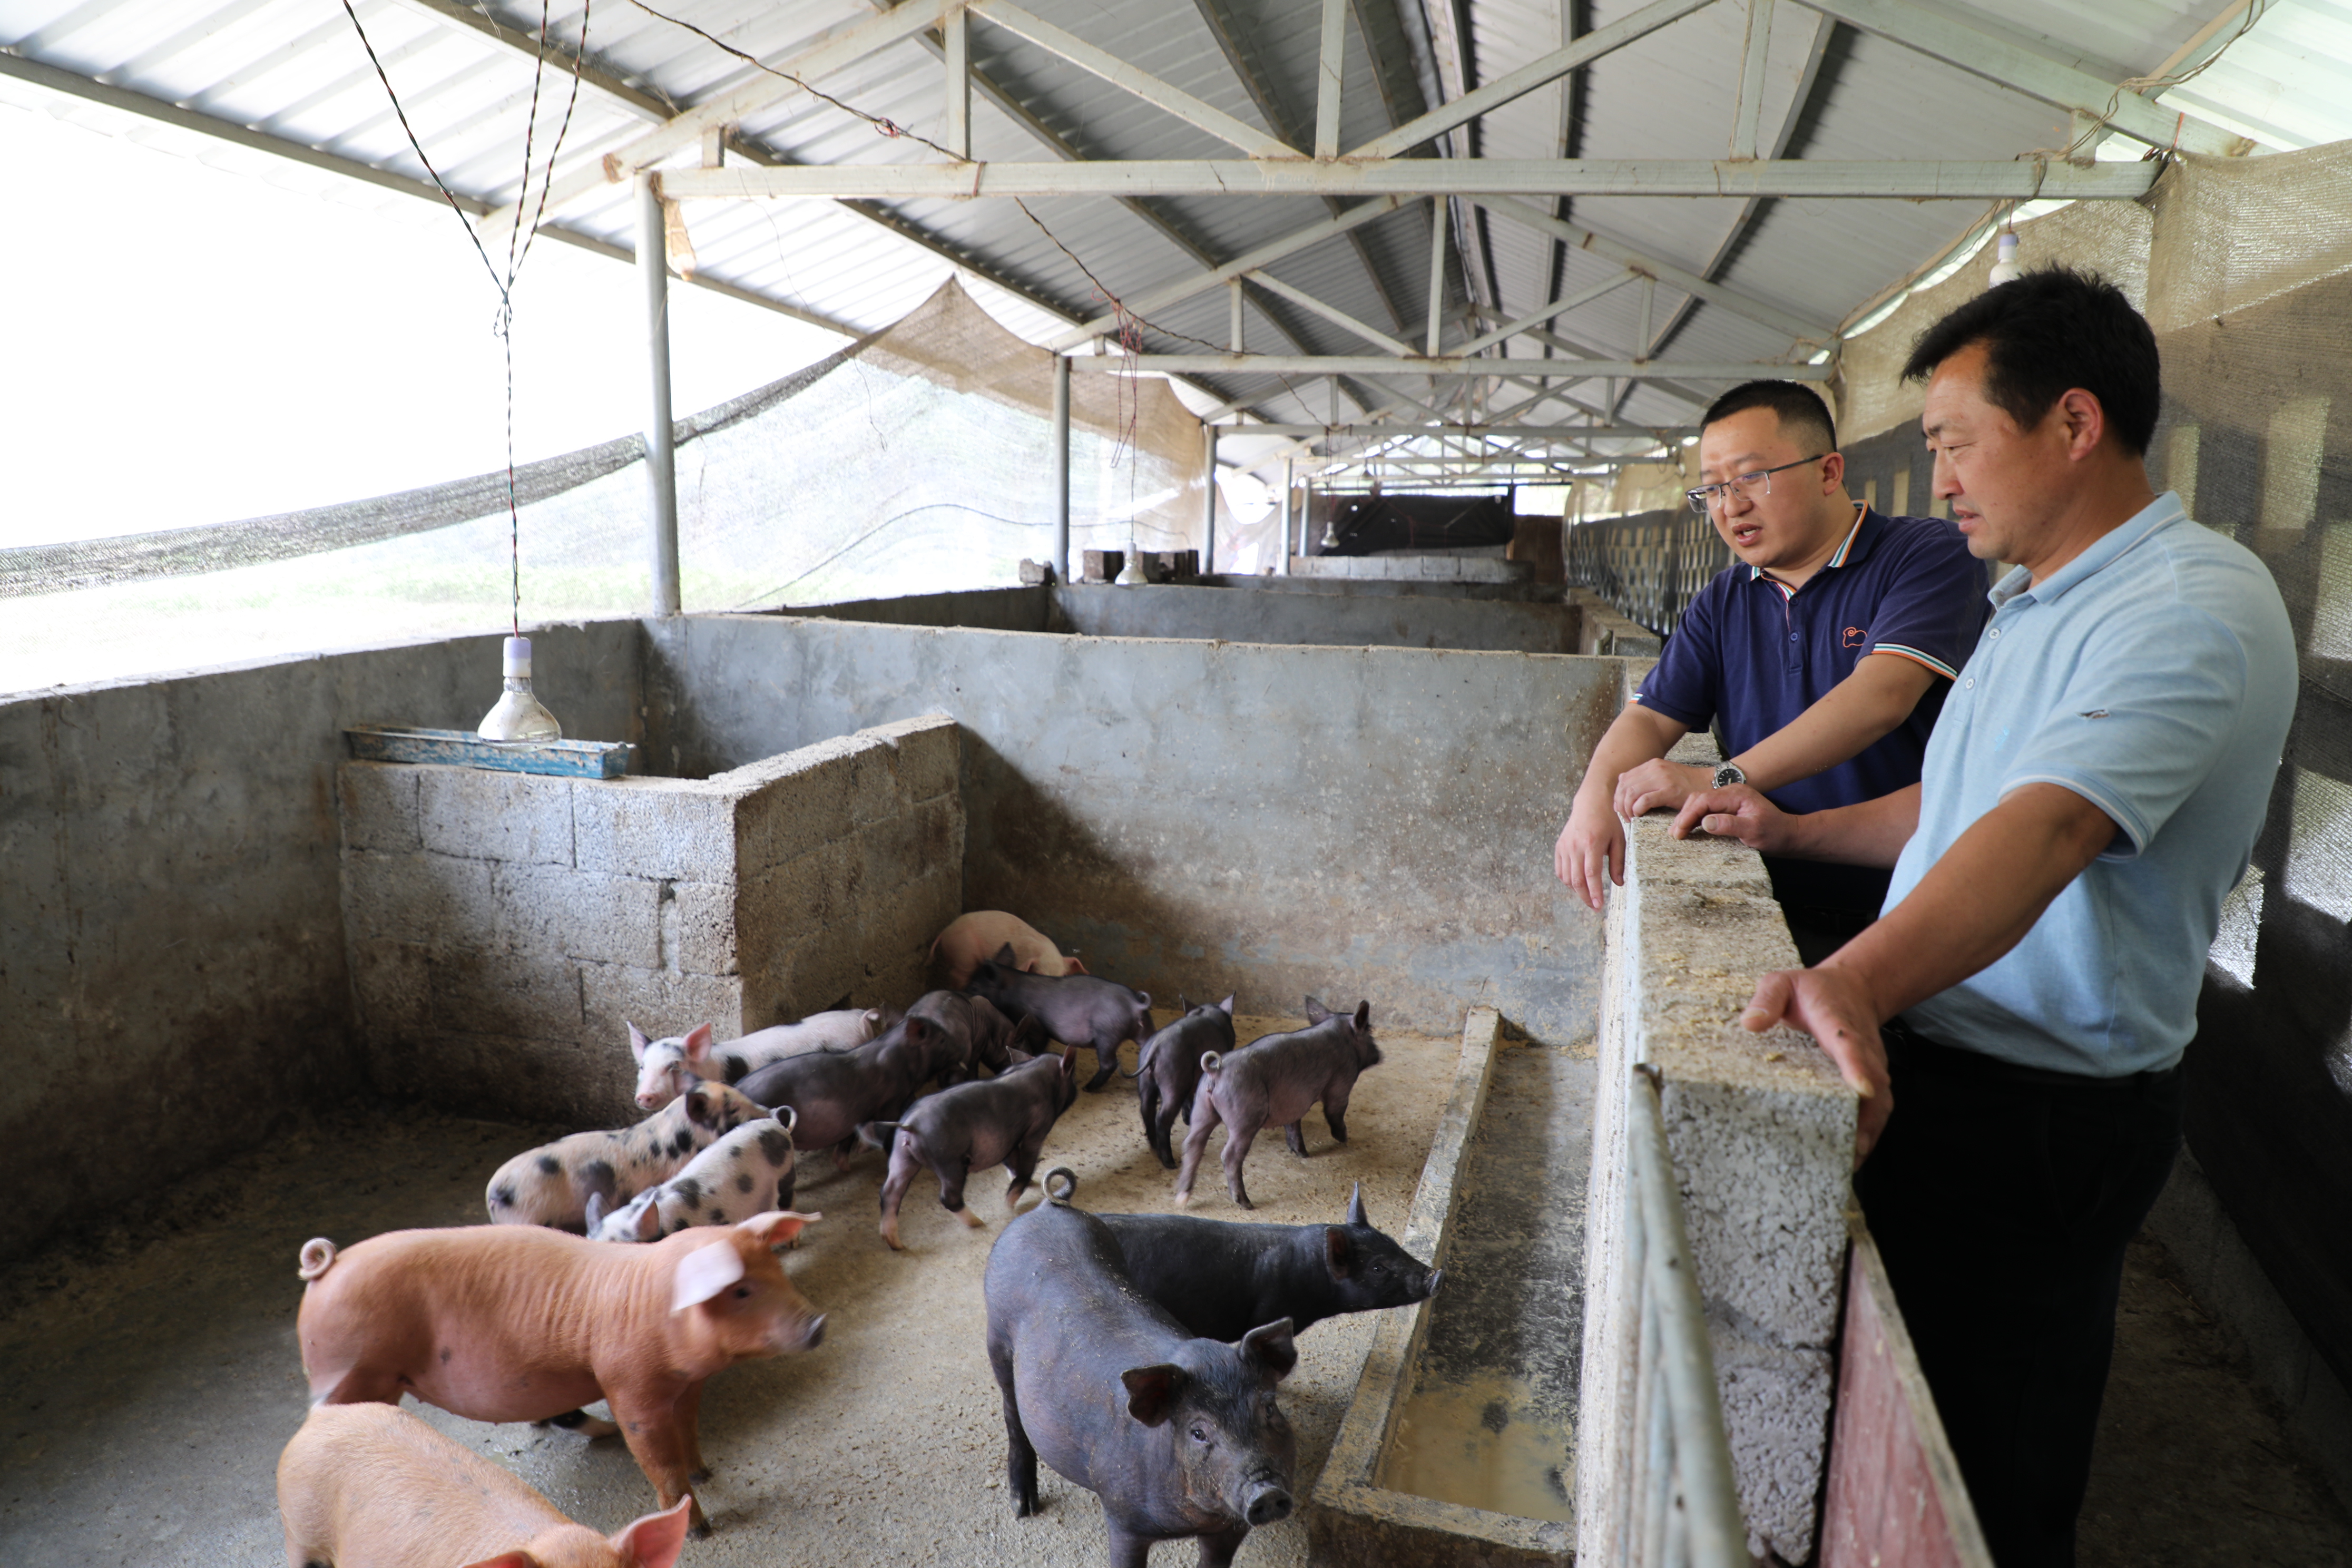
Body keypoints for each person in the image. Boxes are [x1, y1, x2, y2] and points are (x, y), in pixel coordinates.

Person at [1679, 268, 2297, 1567]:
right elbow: (1956, 809)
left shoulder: (2185, 605)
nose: (1942, 480)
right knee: (1899, 1421)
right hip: (1956, 1068)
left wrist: (1854, 977)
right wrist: (1787, 830)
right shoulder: (2032, 603)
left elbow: (2052, 828)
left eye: (1956, 443)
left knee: (1983, 1470)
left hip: (2037, 1112)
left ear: (2072, 423)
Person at [1553, 380, 1987, 962]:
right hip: (1772, 906)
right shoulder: (1723, 600)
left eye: (1750, 477)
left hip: (1913, 909)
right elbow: (1651, 716)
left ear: (1828, 472)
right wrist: (1593, 796)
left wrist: (1719, 779)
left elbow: (1880, 697)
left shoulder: (1926, 554)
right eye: (1712, 488)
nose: (1730, 506)